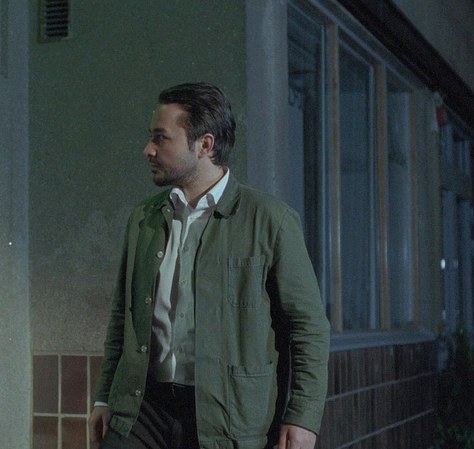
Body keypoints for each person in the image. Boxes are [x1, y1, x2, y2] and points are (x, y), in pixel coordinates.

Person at [88, 83, 330, 449]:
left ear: (205, 144)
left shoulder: (270, 220)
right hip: (142, 409)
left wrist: (303, 417)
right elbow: (123, 317)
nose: (148, 149)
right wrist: (105, 398)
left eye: (160, 138)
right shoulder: (145, 218)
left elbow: (309, 326)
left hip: (225, 418)